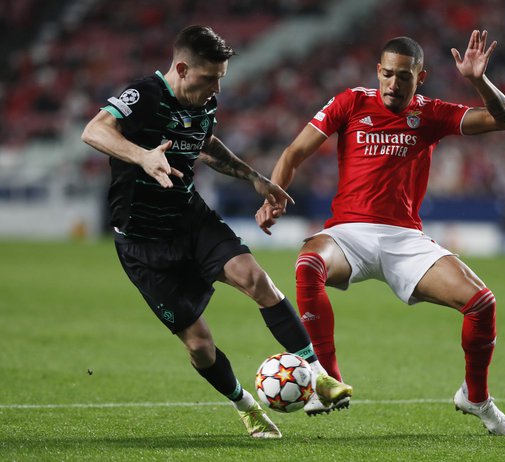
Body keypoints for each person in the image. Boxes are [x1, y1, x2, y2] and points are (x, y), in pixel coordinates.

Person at [81, 25, 352, 439]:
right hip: (143, 243)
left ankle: (318, 375)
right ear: (183, 68)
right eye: (209, 79)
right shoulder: (145, 95)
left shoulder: (204, 100)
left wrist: (255, 178)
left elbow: (205, 144)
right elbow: (94, 129)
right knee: (200, 345)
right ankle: (246, 405)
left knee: (256, 279)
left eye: (221, 79)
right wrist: (142, 158)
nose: (215, 89)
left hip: (190, 220)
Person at [255, 31, 505, 435]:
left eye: (405, 77)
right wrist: (274, 195)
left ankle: (476, 397)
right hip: (349, 233)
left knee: (481, 303)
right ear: (378, 72)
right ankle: (325, 376)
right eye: (389, 74)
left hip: (404, 239)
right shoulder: (351, 102)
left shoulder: (431, 113)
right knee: (308, 262)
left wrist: (478, 81)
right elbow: (294, 152)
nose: (395, 84)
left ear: (420, 78)